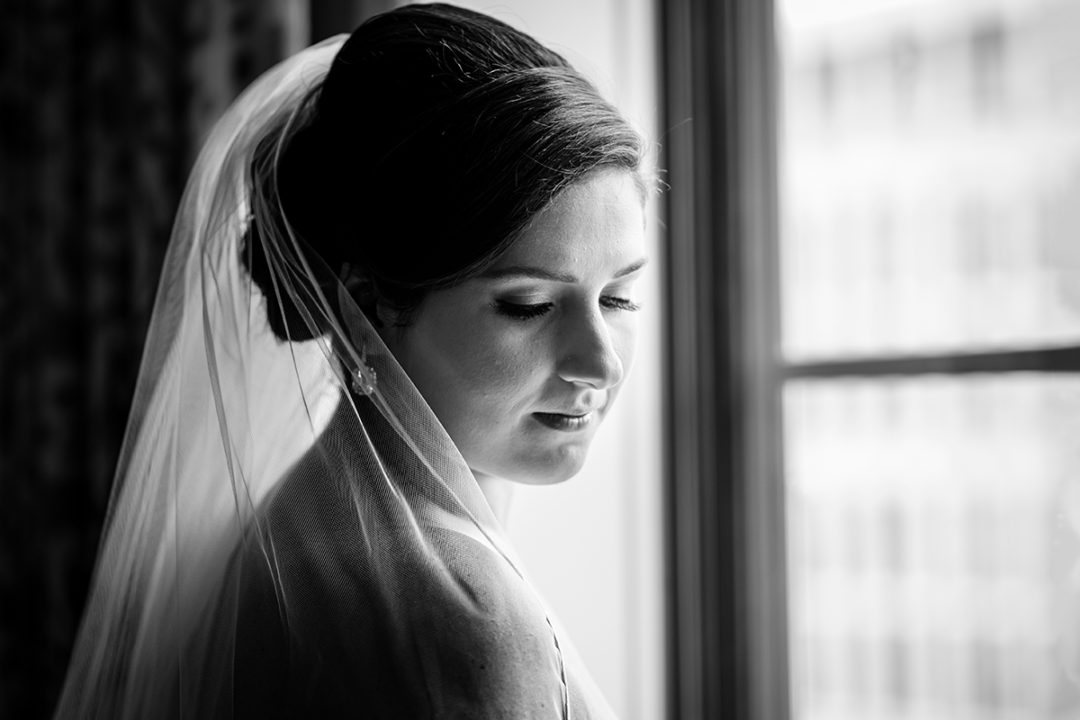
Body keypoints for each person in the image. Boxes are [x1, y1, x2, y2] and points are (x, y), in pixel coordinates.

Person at [54, 4, 649, 718]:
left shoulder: (303, 525)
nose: (601, 364)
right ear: (365, 311)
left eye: (618, 298)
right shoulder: (465, 620)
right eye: (528, 305)